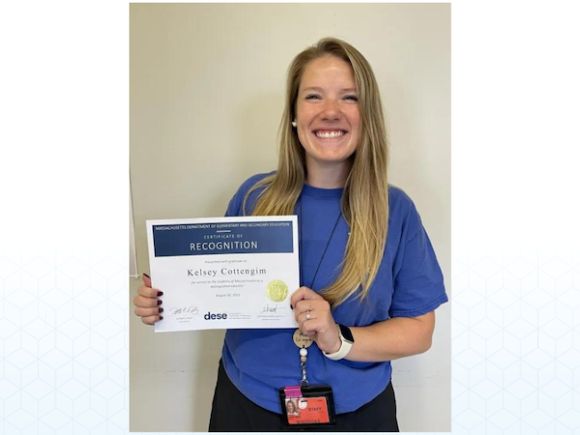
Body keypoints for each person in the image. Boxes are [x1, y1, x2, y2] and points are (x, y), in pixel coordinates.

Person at [133, 37, 448, 432]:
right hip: (247, 407)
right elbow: (214, 290)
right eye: (314, 96)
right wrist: (165, 299)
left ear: (367, 115)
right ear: (295, 114)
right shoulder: (253, 198)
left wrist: (339, 340)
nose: (330, 112)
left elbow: (419, 331)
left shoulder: (394, 210)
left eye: (349, 98)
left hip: (357, 414)